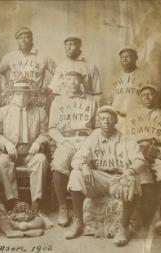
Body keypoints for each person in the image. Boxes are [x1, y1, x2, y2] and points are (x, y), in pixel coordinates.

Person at [66, 106, 151, 247]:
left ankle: (123, 228)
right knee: (76, 174)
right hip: (99, 178)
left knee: (132, 179)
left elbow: (140, 160)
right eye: (102, 119)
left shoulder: (124, 139)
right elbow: (77, 158)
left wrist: (130, 171)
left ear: (115, 121)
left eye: (109, 119)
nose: (105, 122)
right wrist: (85, 166)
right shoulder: (94, 136)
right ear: (98, 121)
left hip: (118, 179)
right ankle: (78, 223)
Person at [123, 84, 161, 236]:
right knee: (141, 177)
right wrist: (135, 149)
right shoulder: (132, 115)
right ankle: (146, 219)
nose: (148, 97)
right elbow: (124, 139)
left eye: (151, 94)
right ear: (140, 98)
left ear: (156, 96)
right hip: (138, 151)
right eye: (144, 94)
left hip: (159, 150)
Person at [49, 70, 98, 227]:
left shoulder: (92, 101)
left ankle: (86, 208)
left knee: (86, 164)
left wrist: (90, 142)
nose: (73, 82)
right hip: (66, 139)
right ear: (64, 82)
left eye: (76, 79)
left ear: (81, 82)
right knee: (59, 163)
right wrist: (62, 142)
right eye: (69, 79)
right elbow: (52, 129)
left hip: (86, 139)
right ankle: (63, 206)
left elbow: (98, 127)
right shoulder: (57, 102)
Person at [0, 80, 49, 214]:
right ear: (13, 96)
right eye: (18, 94)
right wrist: (6, 144)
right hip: (11, 152)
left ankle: (36, 201)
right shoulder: (2, 112)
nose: (22, 98)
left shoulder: (39, 112)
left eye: (25, 95)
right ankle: (13, 201)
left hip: (31, 152)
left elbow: (45, 133)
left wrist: (38, 142)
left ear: (30, 96)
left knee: (41, 159)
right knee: (2, 162)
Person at [49, 34, 101, 100]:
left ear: (79, 46)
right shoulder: (60, 68)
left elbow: (97, 95)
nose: (68, 48)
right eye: (66, 45)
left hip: (84, 107)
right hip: (65, 107)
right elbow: (54, 92)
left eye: (71, 44)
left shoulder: (90, 67)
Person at [111, 47, 154, 118]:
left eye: (128, 56)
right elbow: (111, 100)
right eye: (122, 57)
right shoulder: (116, 77)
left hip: (136, 118)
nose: (124, 59)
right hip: (117, 120)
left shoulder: (145, 76)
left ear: (135, 58)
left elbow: (151, 101)